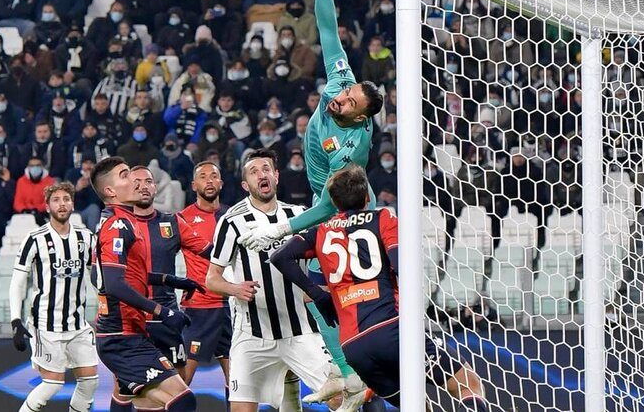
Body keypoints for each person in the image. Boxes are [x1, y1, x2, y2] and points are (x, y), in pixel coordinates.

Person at [271, 165, 491, 410]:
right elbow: (400, 267)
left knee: (416, 405)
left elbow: (280, 257)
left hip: (354, 347)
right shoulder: (383, 219)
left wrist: (318, 295)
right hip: (392, 330)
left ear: (334, 203)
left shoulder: (321, 232)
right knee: (468, 385)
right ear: (367, 197)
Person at [241, 0, 384, 250]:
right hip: (322, 198)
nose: (340, 97)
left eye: (349, 102)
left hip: (347, 211)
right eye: (347, 91)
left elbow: (330, 205)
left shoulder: (352, 148)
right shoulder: (340, 81)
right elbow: (329, 30)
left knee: (327, 283)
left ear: (360, 116)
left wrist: (282, 229)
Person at [204, 149, 339, 412]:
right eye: (253, 172)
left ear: (276, 176)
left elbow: (320, 264)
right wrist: (234, 289)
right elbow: (212, 278)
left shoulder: (298, 215)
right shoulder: (231, 222)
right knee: (242, 409)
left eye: (266, 169)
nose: (261, 175)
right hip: (252, 335)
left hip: (301, 330)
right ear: (246, 185)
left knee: (341, 398)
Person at [91, 156, 199, 412]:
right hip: (121, 336)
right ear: (110, 191)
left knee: (145, 403)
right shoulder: (117, 226)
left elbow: (122, 275)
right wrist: (162, 311)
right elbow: (113, 284)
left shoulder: (125, 222)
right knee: (183, 400)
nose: (135, 181)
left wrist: (167, 279)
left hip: (130, 332)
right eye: (125, 175)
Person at [9, 182, 98, 412]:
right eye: (56, 200)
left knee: (89, 382)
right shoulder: (34, 238)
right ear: (47, 206)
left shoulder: (86, 238)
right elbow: (18, 281)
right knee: (52, 384)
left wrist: (107, 305)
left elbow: (99, 277)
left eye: (66, 199)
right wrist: (15, 320)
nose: (62, 204)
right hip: (46, 326)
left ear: (73, 204)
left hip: (78, 325)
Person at [129, 166, 211, 379]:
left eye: (148, 182)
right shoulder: (117, 225)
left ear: (156, 188)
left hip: (167, 316)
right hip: (131, 317)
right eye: (136, 182)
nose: (143, 187)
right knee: (127, 387)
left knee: (179, 384)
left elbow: (210, 252)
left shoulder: (172, 222)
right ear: (127, 188)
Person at [176, 162, 231, 388]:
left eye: (214, 176)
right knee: (181, 382)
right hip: (198, 309)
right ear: (194, 185)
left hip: (231, 306)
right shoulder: (181, 218)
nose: (209, 180)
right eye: (203, 176)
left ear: (221, 182)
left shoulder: (233, 216)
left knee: (238, 381)